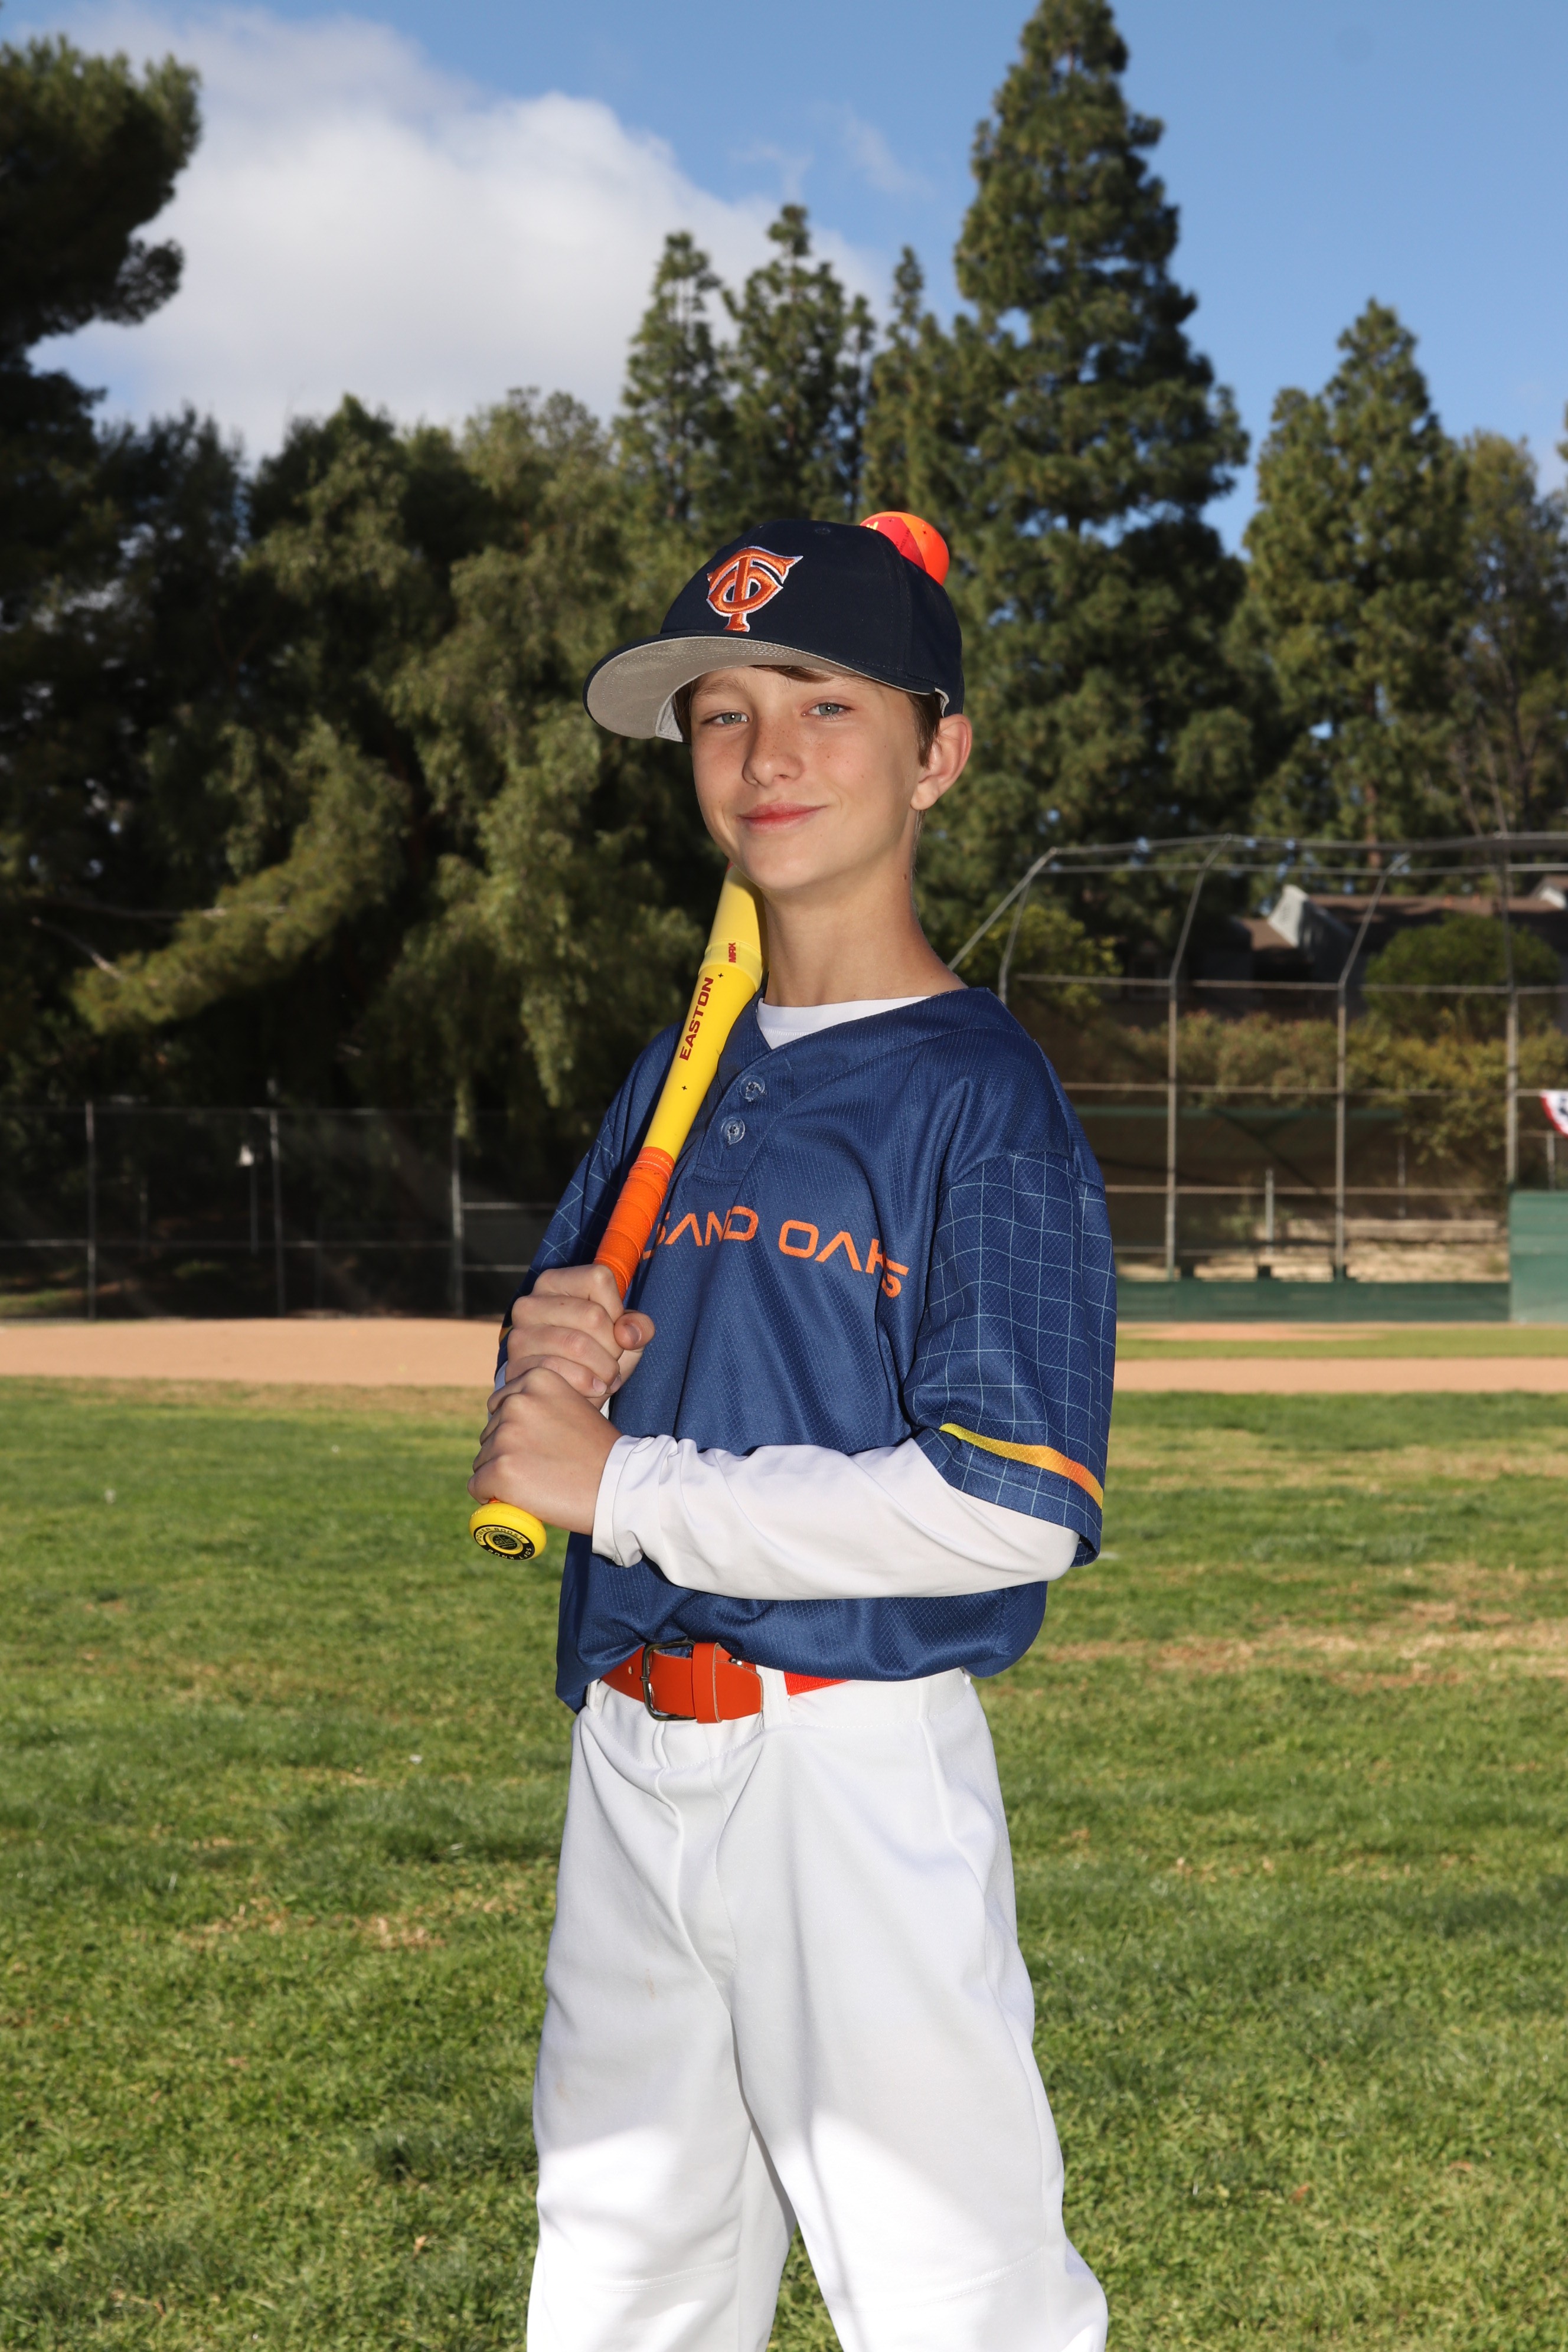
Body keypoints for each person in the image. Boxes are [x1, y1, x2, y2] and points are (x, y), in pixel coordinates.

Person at [470, 515, 1115, 2352]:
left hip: (846, 1763)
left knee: (955, 2306)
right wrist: (542, 1362)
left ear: (940, 752)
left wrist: (627, 1484)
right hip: (629, 1751)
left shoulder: (982, 1094)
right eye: (722, 714)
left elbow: (1011, 1505)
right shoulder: (690, 1067)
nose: (766, 754)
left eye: (827, 704)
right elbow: (570, 1376)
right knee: (618, 2289)